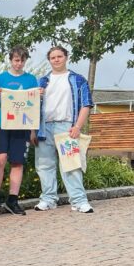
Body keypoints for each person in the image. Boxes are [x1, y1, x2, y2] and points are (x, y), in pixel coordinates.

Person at [35, 45, 95, 213]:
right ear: (49, 60)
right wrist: (33, 130)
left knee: (71, 165)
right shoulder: (42, 81)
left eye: (59, 56)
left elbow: (86, 104)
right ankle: (48, 199)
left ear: (66, 57)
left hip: (67, 126)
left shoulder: (78, 79)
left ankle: (79, 200)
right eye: (53, 57)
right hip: (44, 127)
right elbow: (31, 107)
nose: (56, 60)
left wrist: (77, 126)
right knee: (44, 164)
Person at [0, 46, 39, 215]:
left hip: (22, 125)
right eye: (16, 60)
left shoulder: (31, 79)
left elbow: (33, 107)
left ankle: (13, 199)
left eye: (22, 60)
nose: (19, 63)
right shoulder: (0, 78)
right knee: (1, 158)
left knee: (17, 162)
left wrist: (33, 130)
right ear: (11, 60)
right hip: (2, 123)